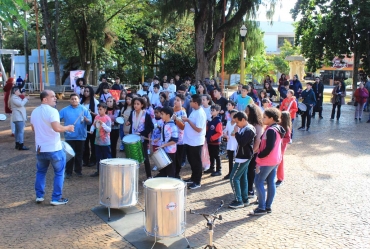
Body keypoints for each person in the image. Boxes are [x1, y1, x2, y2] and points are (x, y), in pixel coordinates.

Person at [30, 90, 74, 205]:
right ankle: (56, 198)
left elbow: (33, 129)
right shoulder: (53, 111)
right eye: (53, 96)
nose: (55, 98)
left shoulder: (34, 111)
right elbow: (57, 128)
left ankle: (39, 196)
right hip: (54, 148)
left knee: (41, 172)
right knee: (59, 173)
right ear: (45, 99)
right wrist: (68, 128)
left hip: (40, 148)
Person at [250, 108, 285, 215]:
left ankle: (262, 207)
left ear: (271, 118)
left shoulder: (271, 130)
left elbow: (269, 147)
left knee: (258, 182)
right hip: (275, 160)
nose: (263, 118)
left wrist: (259, 155)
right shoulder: (277, 128)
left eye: (265, 117)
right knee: (270, 182)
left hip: (267, 161)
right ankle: (267, 206)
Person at [59, 93, 92, 178]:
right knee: (69, 154)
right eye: (72, 99)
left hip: (80, 136)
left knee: (79, 154)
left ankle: (78, 171)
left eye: (75, 99)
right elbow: (57, 119)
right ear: (70, 100)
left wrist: (86, 119)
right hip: (69, 136)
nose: (74, 100)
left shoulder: (84, 109)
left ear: (78, 100)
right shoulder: (64, 110)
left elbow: (90, 121)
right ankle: (68, 171)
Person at [228, 111, 256, 209]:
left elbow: (242, 142)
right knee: (243, 178)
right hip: (242, 156)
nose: (236, 124)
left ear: (243, 120)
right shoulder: (244, 128)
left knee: (233, 178)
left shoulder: (249, 129)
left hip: (243, 157)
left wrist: (236, 132)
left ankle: (238, 200)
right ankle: (244, 199)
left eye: (237, 122)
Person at [182, 94, 207, 189]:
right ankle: (193, 178)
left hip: (196, 142)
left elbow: (199, 129)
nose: (190, 102)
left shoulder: (200, 113)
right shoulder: (194, 111)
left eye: (191, 101)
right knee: (192, 161)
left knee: (196, 162)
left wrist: (188, 121)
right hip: (190, 140)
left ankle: (197, 181)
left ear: (196, 103)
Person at [126, 97, 154, 179]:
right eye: (134, 104)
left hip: (142, 139)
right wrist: (128, 122)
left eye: (138, 104)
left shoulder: (146, 115)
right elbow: (130, 121)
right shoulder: (132, 113)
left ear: (142, 105)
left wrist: (142, 133)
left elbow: (150, 127)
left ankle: (149, 176)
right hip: (133, 138)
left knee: (145, 157)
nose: (135, 105)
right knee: (132, 157)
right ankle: (133, 176)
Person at [155, 107, 179, 177]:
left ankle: (172, 181)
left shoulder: (172, 126)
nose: (161, 116)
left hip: (170, 151)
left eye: (162, 114)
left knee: (171, 169)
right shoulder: (164, 124)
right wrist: (158, 139)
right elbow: (165, 135)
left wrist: (164, 145)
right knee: (164, 167)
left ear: (168, 115)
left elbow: (175, 140)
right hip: (164, 149)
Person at [90, 103, 112, 177]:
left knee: (107, 156)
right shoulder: (96, 117)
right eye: (98, 109)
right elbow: (94, 125)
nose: (99, 111)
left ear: (105, 110)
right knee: (98, 157)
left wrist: (103, 124)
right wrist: (92, 129)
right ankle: (99, 171)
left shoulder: (107, 118)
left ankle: (108, 171)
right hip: (97, 141)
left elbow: (109, 130)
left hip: (105, 142)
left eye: (101, 109)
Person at [81, 86, 99, 166]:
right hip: (83, 124)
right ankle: (85, 159)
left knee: (92, 143)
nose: (86, 93)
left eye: (87, 91)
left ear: (91, 92)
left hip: (92, 124)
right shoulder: (81, 102)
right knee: (84, 143)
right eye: (85, 91)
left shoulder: (95, 102)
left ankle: (93, 160)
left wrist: (91, 113)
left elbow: (99, 114)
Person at [204, 105, 223, 176]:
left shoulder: (218, 121)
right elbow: (208, 130)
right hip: (210, 141)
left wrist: (212, 138)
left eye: (213, 110)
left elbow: (219, 132)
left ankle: (219, 170)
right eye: (211, 110)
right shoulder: (211, 120)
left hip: (215, 142)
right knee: (211, 155)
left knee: (216, 156)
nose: (211, 112)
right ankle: (212, 167)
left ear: (218, 111)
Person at [172, 94, 187, 178]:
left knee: (178, 157)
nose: (175, 102)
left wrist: (176, 119)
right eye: (175, 100)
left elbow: (183, 126)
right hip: (170, 137)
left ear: (182, 102)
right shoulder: (171, 110)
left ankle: (177, 173)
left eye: (178, 100)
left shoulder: (183, 112)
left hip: (180, 139)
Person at [276, 111, 292, 187]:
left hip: (281, 147)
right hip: (276, 146)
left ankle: (280, 178)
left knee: (280, 162)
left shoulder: (286, 128)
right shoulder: (278, 124)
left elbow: (288, 139)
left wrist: (280, 140)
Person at [222, 109, 238, 180]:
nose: (233, 117)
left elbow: (236, 133)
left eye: (235, 115)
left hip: (236, 144)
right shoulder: (228, 123)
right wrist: (225, 135)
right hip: (230, 143)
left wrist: (233, 133)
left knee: (237, 159)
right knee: (230, 159)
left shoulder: (238, 124)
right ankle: (230, 172)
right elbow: (225, 131)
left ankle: (236, 173)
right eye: (232, 115)